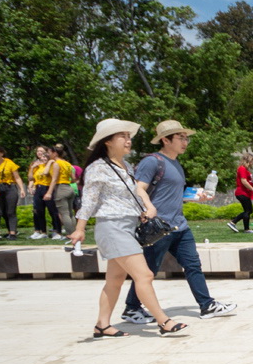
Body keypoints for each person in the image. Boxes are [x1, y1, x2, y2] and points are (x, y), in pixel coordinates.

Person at [69, 119, 187, 337]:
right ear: (107, 141)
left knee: (114, 280)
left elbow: (136, 192)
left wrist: (148, 207)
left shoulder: (124, 166)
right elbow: (89, 201)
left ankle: (102, 325)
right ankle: (164, 321)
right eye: (122, 136)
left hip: (127, 225)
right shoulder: (98, 168)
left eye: (128, 136)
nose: (128, 140)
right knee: (145, 275)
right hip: (112, 227)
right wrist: (80, 228)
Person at [120, 120, 237, 324]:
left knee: (193, 265)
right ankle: (132, 309)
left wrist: (195, 197)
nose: (185, 142)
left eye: (186, 138)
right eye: (180, 138)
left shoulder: (175, 163)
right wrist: (148, 211)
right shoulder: (152, 161)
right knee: (148, 270)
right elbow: (138, 189)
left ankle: (206, 305)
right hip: (158, 227)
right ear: (165, 140)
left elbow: (172, 194)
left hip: (179, 225)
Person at [0, 146, 24, 239]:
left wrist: (22, 189)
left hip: (9, 187)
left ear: (1, 153)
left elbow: (17, 177)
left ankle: (12, 233)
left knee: (10, 211)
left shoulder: (9, 163)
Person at [27, 146, 57, 239]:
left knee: (52, 211)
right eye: (38, 151)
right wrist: (30, 186)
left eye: (41, 151)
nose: (39, 153)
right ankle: (41, 231)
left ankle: (56, 231)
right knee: (38, 211)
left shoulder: (51, 163)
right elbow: (31, 178)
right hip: (38, 188)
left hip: (47, 187)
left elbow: (48, 174)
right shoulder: (35, 164)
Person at [47, 143, 77, 234]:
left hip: (61, 188)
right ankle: (75, 233)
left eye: (49, 153)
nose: (48, 155)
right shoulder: (67, 163)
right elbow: (73, 178)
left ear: (55, 153)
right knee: (70, 213)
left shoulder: (56, 164)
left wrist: (49, 192)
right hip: (69, 188)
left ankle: (71, 235)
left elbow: (54, 179)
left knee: (64, 214)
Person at [227, 153, 253, 233]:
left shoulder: (245, 169)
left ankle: (246, 229)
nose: (252, 164)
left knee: (248, 210)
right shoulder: (242, 169)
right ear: (248, 161)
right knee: (248, 210)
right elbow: (243, 181)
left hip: (245, 193)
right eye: (252, 161)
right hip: (242, 192)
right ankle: (233, 222)